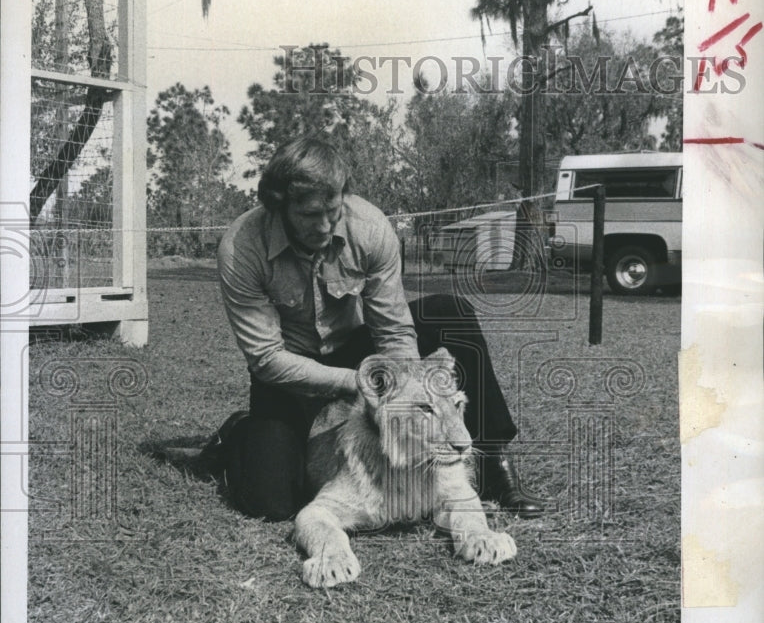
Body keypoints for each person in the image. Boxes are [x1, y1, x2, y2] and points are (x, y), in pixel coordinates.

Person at [177, 135, 544, 522]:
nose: (322, 226)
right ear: (278, 205)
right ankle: (237, 433)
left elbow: (394, 331)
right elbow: (267, 359)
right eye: (308, 215)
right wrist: (362, 383)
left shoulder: (370, 226)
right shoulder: (242, 246)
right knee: (274, 503)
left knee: (448, 310)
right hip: (289, 369)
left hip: (357, 346)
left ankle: (494, 462)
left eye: (332, 210)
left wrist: (403, 394)